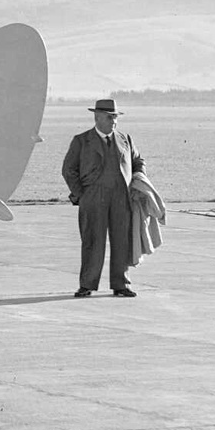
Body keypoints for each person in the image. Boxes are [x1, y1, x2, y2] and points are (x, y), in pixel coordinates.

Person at [61, 99, 145, 298]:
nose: (114, 121)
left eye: (116, 117)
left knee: (122, 241)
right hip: (93, 198)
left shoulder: (126, 139)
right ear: (97, 117)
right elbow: (68, 170)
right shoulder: (81, 141)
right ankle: (87, 284)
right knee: (92, 241)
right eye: (110, 117)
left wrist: (140, 180)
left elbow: (137, 161)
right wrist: (83, 195)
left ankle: (121, 284)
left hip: (121, 198)